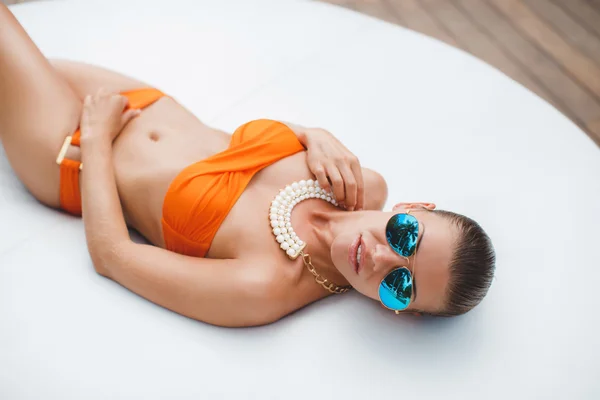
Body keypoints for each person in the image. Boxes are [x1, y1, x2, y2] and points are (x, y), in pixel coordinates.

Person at [0, 4, 495, 327]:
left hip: (74, 152)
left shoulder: (263, 287)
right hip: (139, 101)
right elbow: (253, 148)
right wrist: (312, 134)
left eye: (400, 286)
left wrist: (100, 136)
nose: (384, 258)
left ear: (398, 310)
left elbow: (112, 257)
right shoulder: (362, 183)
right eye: (408, 235)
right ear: (415, 206)